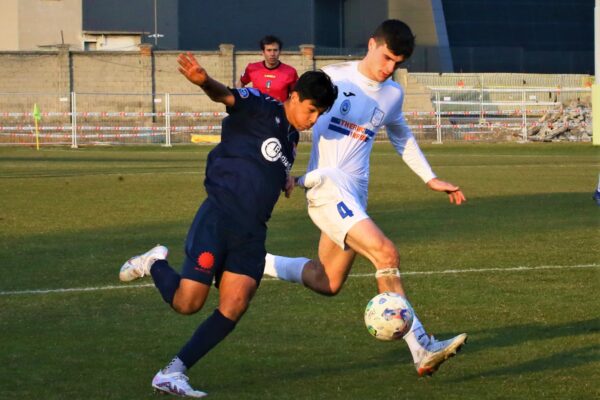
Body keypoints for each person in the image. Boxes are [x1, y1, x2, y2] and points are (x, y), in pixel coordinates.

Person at [118, 52, 337, 397]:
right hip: (220, 215)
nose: (313, 119)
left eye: (319, 114)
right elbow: (227, 96)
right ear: (293, 96)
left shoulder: (292, 141)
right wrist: (204, 81)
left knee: (235, 303)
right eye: (311, 109)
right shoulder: (261, 105)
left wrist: (286, 180)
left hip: (252, 232)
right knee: (187, 303)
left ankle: (172, 372)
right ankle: (154, 262)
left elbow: (267, 165)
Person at [263, 20, 468, 377]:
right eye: (387, 57)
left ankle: (250, 261)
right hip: (327, 187)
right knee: (385, 253)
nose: (389, 68)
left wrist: (430, 178)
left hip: (354, 196)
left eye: (397, 63)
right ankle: (421, 346)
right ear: (372, 44)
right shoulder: (332, 79)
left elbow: (402, 135)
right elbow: (294, 121)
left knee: (326, 281)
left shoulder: (392, 94)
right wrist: (287, 171)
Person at [236, 35, 298, 102]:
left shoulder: (290, 72)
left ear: (280, 52)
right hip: (257, 111)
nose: (272, 54)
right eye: (269, 50)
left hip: (280, 111)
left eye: (275, 50)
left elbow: (296, 95)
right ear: (263, 52)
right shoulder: (252, 68)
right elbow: (240, 84)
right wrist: (243, 102)